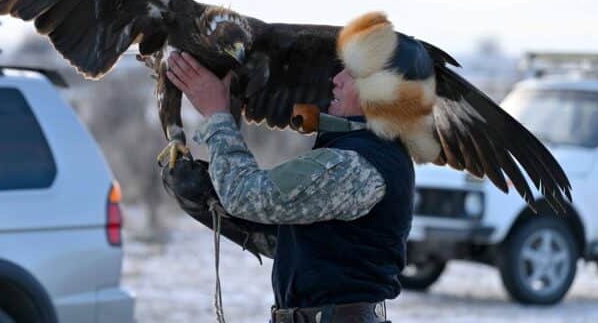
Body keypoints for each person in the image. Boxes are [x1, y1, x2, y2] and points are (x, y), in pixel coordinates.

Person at [165, 46, 414, 323]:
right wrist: (211, 201)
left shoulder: (358, 162)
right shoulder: (366, 150)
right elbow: (310, 246)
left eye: (352, 73)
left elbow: (245, 197)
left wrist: (216, 114)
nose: (336, 79)